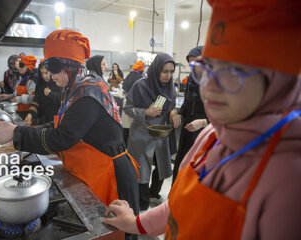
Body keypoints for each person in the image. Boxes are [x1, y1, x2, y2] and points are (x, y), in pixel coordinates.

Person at [102, 0, 301, 239]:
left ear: (277, 80)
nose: (210, 87)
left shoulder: (288, 178)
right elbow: (178, 205)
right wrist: (135, 223)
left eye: (231, 71)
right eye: (207, 69)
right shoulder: (213, 135)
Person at [0, 30, 140, 238]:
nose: (50, 75)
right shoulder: (75, 87)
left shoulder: (88, 92)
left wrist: (17, 133)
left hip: (112, 174)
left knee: (119, 235)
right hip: (94, 169)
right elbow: (59, 126)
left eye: (53, 67)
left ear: (69, 64)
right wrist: (27, 131)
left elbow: (62, 138)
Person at [123, 53, 182, 211]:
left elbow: (170, 108)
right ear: (156, 70)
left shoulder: (170, 88)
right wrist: (146, 112)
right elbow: (127, 108)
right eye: (164, 71)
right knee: (142, 169)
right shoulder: (141, 85)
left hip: (161, 134)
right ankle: (141, 204)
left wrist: (173, 114)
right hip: (142, 134)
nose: (168, 76)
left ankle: (153, 193)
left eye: (171, 71)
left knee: (162, 165)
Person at [172, 46, 208, 183]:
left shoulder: (215, 83)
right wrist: (178, 113)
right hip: (188, 130)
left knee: (196, 171)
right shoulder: (191, 80)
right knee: (182, 166)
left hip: (204, 134)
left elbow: (227, 117)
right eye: (191, 64)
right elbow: (187, 104)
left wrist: (204, 122)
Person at [25, 60, 61, 125]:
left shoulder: (59, 83)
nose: (44, 76)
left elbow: (62, 99)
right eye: (42, 73)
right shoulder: (40, 84)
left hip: (57, 120)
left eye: (46, 73)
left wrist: (50, 94)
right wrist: (30, 114)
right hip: (44, 120)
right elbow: (36, 101)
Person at [121, 60, 145, 147]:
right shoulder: (140, 78)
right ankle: (131, 147)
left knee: (125, 127)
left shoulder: (129, 75)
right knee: (133, 127)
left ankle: (123, 147)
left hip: (126, 102)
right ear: (142, 69)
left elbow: (124, 88)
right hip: (134, 105)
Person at [13, 54, 38, 119]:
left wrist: (17, 99)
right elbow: (17, 92)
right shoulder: (23, 77)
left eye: (21, 65)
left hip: (28, 113)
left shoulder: (32, 79)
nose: (19, 68)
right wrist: (9, 96)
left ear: (28, 67)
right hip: (20, 110)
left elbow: (32, 98)